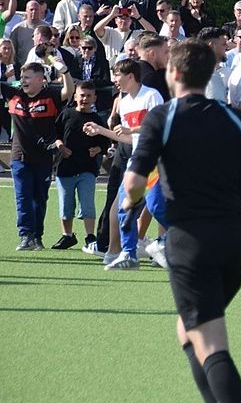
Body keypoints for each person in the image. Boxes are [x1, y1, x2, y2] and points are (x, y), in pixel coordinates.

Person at [124, 39, 241, 403]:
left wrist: (131, 201)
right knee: (189, 329)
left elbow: (133, 182)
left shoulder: (163, 117)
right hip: (235, 242)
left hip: (190, 242)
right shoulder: (234, 117)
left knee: (210, 340)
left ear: (172, 73)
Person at [84, 59, 165, 269]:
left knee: (157, 207)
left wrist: (134, 130)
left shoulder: (151, 95)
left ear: (130, 75)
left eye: (117, 75)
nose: (114, 80)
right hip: (137, 161)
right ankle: (129, 254)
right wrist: (100, 131)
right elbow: (129, 138)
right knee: (123, 207)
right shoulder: (125, 101)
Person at [4, 60, 76, 250]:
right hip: (19, 157)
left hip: (44, 158)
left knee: (39, 198)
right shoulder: (14, 94)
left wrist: (64, 70)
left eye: (27, 77)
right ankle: (25, 236)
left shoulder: (50, 95)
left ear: (39, 79)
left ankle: (37, 237)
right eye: (22, 77)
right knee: (23, 197)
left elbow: (68, 91)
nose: (23, 81)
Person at [51, 81, 110, 250]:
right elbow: (55, 134)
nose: (84, 99)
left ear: (95, 98)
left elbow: (105, 141)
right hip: (65, 168)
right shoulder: (66, 114)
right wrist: (60, 146)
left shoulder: (97, 120)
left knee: (87, 203)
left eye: (88, 96)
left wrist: (97, 149)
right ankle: (67, 235)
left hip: (87, 168)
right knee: (66, 203)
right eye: (82, 95)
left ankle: (90, 236)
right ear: (75, 96)